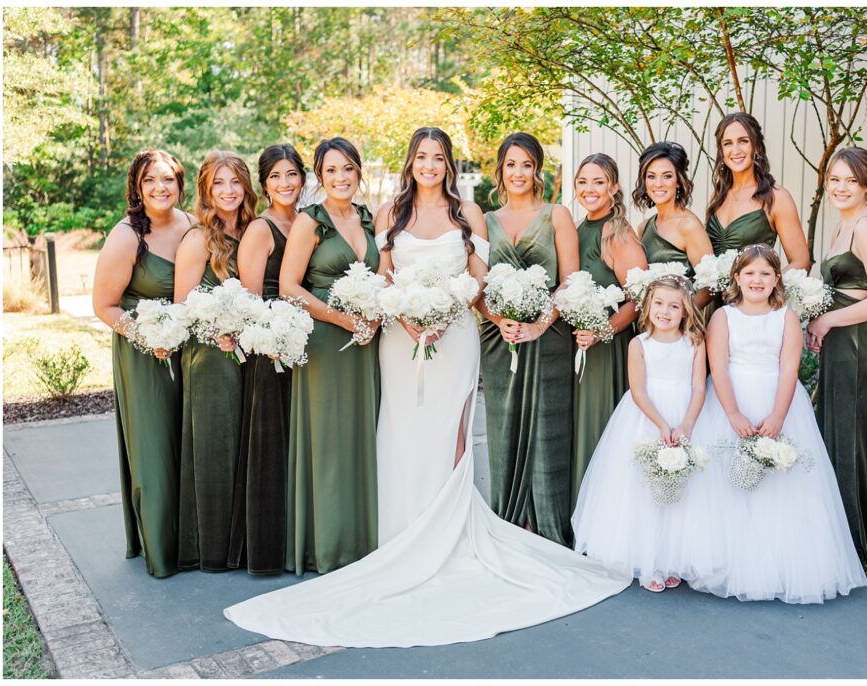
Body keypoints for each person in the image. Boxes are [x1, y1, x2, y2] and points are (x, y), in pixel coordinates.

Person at [224, 127, 630, 649]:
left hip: (456, 335)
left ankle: (451, 538)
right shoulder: (391, 212)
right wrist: (408, 316)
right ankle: (401, 536)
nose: (430, 165)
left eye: (438, 157)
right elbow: (385, 273)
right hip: (401, 335)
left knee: (449, 436)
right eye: (421, 156)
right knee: (402, 432)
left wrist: (479, 314)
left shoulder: (470, 214)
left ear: (449, 164)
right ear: (410, 163)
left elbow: (479, 281)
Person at [688, 244, 867, 603]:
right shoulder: (723, 316)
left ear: (776, 279)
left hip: (777, 398)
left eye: (766, 274)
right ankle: (728, 560)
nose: (758, 280)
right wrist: (733, 413)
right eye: (750, 273)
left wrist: (779, 414)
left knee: (782, 485)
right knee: (725, 482)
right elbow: (718, 365)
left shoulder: (785, 316)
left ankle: (779, 563)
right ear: (737, 278)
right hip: (729, 399)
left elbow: (789, 366)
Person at [279, 137, 381, 575]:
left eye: (348, 169)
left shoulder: (368, 218)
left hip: (366, 344)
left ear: (359, 173)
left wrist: (375, 316)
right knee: (328, 440)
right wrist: (342, 319)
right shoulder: (310, 221)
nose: (341, 178)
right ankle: (328, 545)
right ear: (319, 176)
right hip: (324, 341)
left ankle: (362, 540)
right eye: (331, 170)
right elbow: (289, 286)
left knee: (362, 435)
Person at [93, 149, 192, 578]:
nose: (160, 187)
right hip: (142, 352)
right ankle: (161, 549)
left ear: (180, 183)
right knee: (154, 446)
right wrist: (149, 336)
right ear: (137, 186)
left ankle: (193, 542)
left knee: (186, 443)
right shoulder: (127, 236)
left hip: (189, 349)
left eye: (168, 179)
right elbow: (105, 306)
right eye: (151, 180)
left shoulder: (190, 225)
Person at [573, 275, 707, 592]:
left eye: (674, 306)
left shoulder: (696, 343)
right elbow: (639, 391)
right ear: (648, 306)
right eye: (659, 303)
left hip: (686, 415)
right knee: (646, 489)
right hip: (647, 419)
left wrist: (687, 423)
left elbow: (700, 386)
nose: (665, 311)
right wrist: (661, 425)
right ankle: (648, 564)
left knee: (682, 490)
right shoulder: (639, 344)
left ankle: (673, 559)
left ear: (686, 310)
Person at [478, 132, 580, 546]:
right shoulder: (484, 222)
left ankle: (549, 528)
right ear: (500, 170)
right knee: (503, 429)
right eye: (511, 164)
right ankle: (509, 523)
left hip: (549, 338)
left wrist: (540, 323)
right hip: (498, 341)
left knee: (547, 432)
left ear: (537, 169)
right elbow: (477, 287)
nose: (518, 172)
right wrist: (498, 317)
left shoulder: (557, 215)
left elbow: (571, 280)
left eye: (526, 164)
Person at [808, 146, 867, 579]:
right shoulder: (840, 225)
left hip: (860, 347)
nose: (841, 188)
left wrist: (827, 320)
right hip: (839, 342)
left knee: (852, 440)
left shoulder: (866, 227)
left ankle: (856, 543)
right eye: (835, 180)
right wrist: (815, 323)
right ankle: (842, 534)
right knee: (839, 437)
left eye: (850, 180)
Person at [173, 151, 258, 572]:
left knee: (249, 444)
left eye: (235, 182)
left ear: (246, 187)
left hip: (254, 354)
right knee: (216, 446)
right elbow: (182, 307)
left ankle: (246, 542)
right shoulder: (197, 239)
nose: (228, 191)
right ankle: (212, 547)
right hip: (210, 357)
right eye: (219, 183)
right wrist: (215, 333)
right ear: (207, 190)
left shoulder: (255, 232)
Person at [228, 143, 306, 575]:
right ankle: (268, 549)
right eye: (275, 176)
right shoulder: (262, 228)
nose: (284, 184)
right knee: (271, 446)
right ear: (264, 183)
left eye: (291, 174)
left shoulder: (308, 222)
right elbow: (250, 298)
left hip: (306, 348)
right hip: (270, 349)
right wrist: (272, 337)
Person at [570, 153, 647, 506]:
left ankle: (602, 515)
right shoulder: (575, 229)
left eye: (598, 182)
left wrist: (603, 331)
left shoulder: (618, 236)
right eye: (583, 182)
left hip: (608, 350)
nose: (590, 189)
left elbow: (639, 299)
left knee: (599, 430)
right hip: (579, 348)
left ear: (614, 188)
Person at [704, 113, 809, 320]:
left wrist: (754, 286)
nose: (735, 150)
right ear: (721, 152)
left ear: (757, 147)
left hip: (754, 309)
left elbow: (801, 261)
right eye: (728, 143)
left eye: (743, 141)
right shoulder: (718, 195)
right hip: (716, 310)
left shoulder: (776, 197)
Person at [633, 141, 713, 309]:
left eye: (667, 176)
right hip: (649, 324)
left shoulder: (688, 226)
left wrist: (679, 317)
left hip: (679, 326)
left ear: (678, 180)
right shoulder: (643, 228)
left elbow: (710, 287)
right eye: (651, 176)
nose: (658, 183)